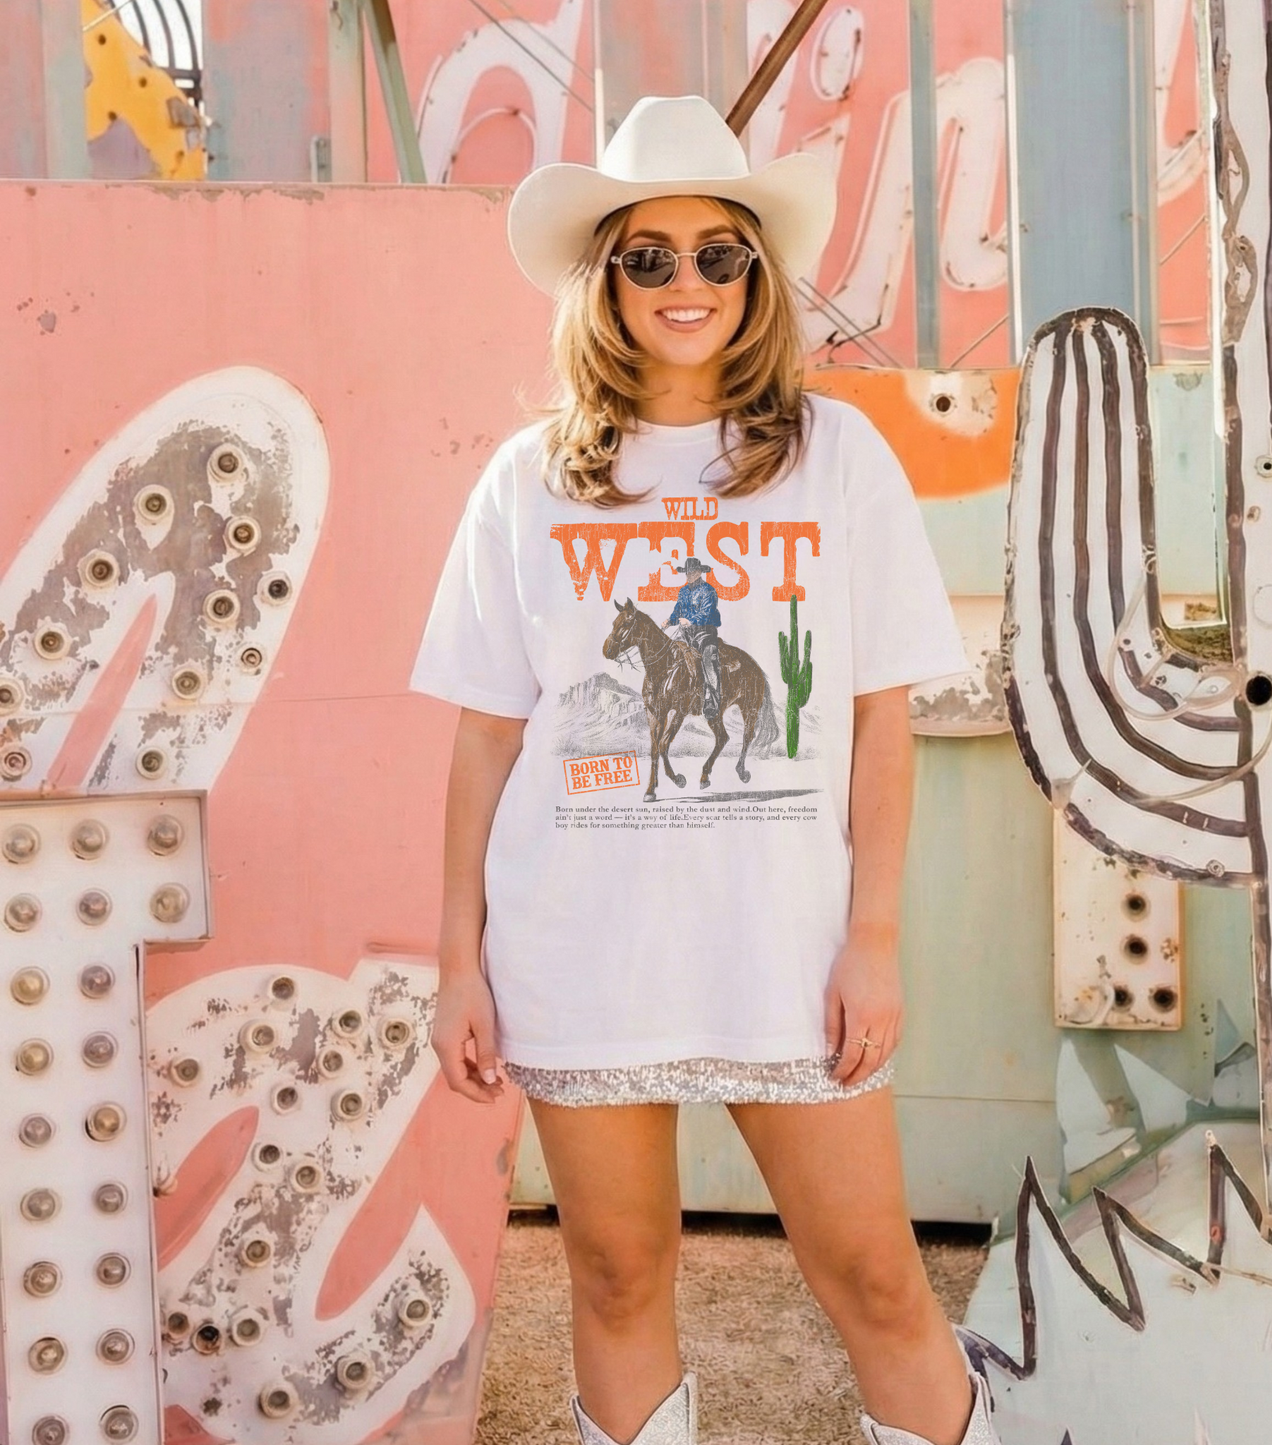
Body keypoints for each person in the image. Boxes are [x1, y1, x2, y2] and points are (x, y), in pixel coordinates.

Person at [409, 94, 999, 1445]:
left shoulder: (831, 457)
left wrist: (873, 937)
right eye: (650, 255)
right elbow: (487, 735)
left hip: (784, 948)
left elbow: (877, 716)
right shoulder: (529, 482)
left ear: (755, 274)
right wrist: (459, 960)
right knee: (616, 1274)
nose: (688, 283)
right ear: (603, 276)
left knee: (872, 1278)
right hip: (580, 947)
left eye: (719, 253)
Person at [667, 557, 722, 719]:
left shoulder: (708, 591)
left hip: (705, 634)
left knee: (708, 662)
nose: (689, 575)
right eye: (687, 573)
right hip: (687, 635)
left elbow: (707, 613)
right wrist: (669, 621)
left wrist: (691, 621)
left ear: (699, 572)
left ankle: (712, 701)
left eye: (692, 572)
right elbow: (677, 610)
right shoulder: (683, 591)